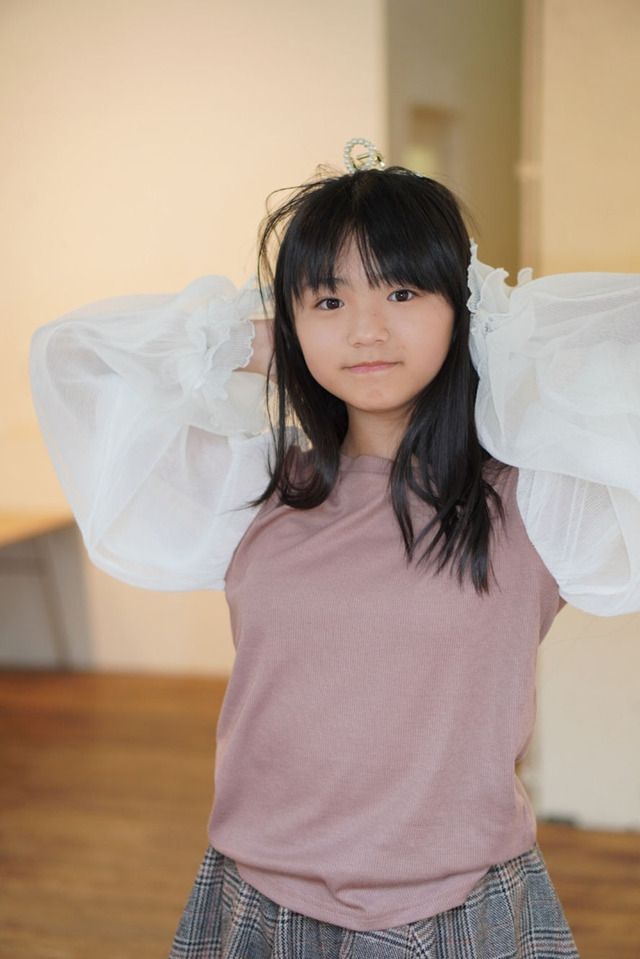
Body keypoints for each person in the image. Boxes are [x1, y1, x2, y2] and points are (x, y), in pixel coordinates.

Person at [30, 146, 640, 958]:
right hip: (262, 899)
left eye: (403, 292)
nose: (367, 330)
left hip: (462, 907)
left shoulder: (536, 498)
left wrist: (501, 346)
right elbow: (75, 354)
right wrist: (256, 346)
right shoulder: (256, 483)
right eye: (329, 299)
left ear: (462, 307)